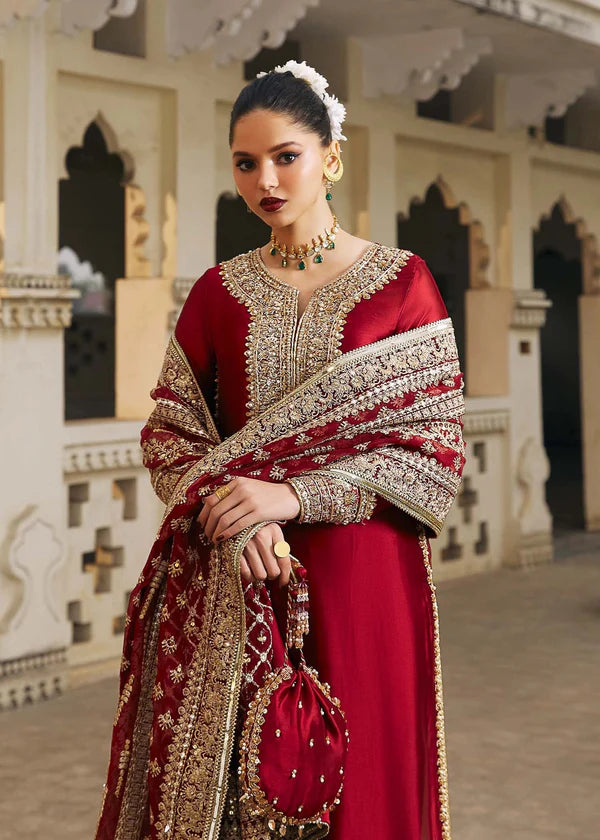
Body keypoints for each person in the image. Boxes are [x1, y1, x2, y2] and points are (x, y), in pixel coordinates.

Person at [94, 61, 465, 840]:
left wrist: (293, 496)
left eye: (285, 156)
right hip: (242, 575)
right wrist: (243, 517)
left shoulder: (404, 284)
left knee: (366, 790)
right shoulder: (217, 293)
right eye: (246, 162)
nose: (265, 180)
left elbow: (433, 451)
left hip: (365, 572)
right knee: (245, 798)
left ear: (331, 157)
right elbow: (172, 434)